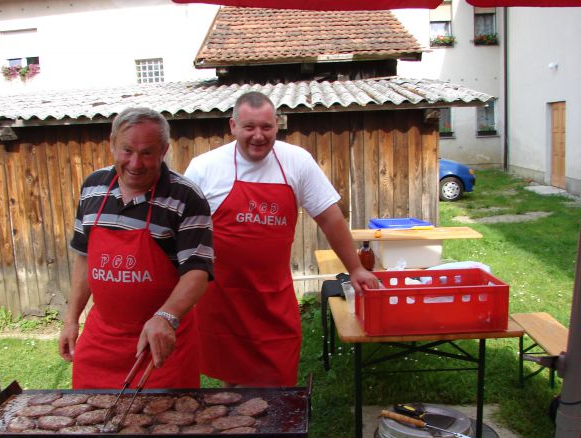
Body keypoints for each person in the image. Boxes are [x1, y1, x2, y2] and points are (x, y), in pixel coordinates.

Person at [184, 91, 378, 388]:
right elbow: (182, 231)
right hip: (223, 299)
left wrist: (355, 269)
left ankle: (273, 432)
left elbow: (330, 217)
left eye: (266, 127)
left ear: (277, 124)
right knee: (232, 385)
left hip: (273, 298)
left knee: (277, 381)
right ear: (233, 126)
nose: (258, 136)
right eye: (249, 127)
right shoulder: (204, 167)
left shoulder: (296, 162)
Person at [59, 107, 213, 391]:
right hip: (101, 342)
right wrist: (71, 319)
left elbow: (197, 271)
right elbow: (85, 257)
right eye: (127, 150)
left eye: (147, 153)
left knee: (167, 429)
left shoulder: (186, 197)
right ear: (112, 144)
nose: (135, 163)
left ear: (164, 150)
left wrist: (165, 316)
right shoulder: (93, 188)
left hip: (161, 345)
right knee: (91, 428)